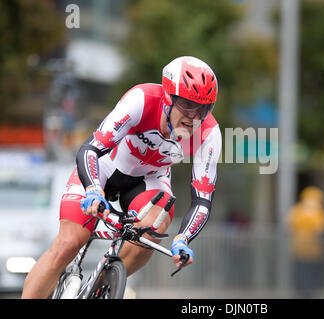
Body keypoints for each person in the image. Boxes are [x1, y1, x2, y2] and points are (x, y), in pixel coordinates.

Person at [22, 56, 222, 298]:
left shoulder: (209, 133)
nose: (194, 117)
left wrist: (183, 239)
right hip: (104, 167)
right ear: (168, 98)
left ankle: (103, 288)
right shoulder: (142, 100)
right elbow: (91, 149)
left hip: (148, 180)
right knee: (68, 244)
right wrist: (94, 189)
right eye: (187, 105)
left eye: (203, 109)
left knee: (155, 225)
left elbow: (202, 200)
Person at [285, 186, 324, 298]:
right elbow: (289, 224)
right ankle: (303, 290)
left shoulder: (320, 213)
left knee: (312, 271)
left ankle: (310, 291)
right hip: (300, 250)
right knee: (301, 271)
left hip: (314, 251)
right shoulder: (298, 211)